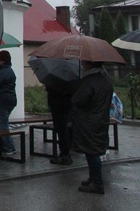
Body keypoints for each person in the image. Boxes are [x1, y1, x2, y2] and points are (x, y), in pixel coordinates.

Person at [72, 61, 113, 195]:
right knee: (92, 150)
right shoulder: (105, 79)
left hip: (89, 121)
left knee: (92, 151)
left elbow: (80, 100)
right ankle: (93, 178)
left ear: (90, 65)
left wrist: (76, 93)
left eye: (85, 62)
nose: (83, 64)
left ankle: (97, 182)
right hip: (100, 120)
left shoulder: (89, 81)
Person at [0, 50, 17, 156]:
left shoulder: (1, 73)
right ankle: (4, 146)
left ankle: (9, 148)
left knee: (3, 125)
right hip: (10, 100)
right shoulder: (10, 71)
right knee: (4, 124)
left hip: (1, 101)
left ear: (2, 61)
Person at [46, 83, 75, 166]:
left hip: (58, 105)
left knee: (62, 130)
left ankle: (65, 155)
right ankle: (65, 153)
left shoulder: (55, 79)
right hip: (67, 104)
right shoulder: (69, 78)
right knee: (64, 130)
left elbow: (52, 91)